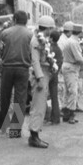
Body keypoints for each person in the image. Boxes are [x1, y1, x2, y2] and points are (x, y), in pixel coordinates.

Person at [0, 10, 32, 136]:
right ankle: (16, 130)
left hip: (7, 68)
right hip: (23, 69)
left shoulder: (5, 33)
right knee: (20, 99)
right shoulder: (30, 34)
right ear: (26, 21)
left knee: (5, 97)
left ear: (14, 19)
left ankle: (2, 126)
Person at [27, 14, 58, 148]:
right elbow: (35, 61)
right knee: (38, 106)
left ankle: (36, 134)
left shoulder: (42, 39)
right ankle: (34, 136)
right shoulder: (36, 41)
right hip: (39, 75)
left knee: (40, 106)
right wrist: (40, 78)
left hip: (44, 74)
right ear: (48, 29)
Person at [59, 20, 83, 123]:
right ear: (80, 32)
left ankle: (66, 113)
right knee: (73, 91)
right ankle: (71, 114)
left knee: (67, 91)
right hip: (71, 67)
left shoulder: (69, 40)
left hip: (67, 66)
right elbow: (78, 58)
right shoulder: (74, 42)